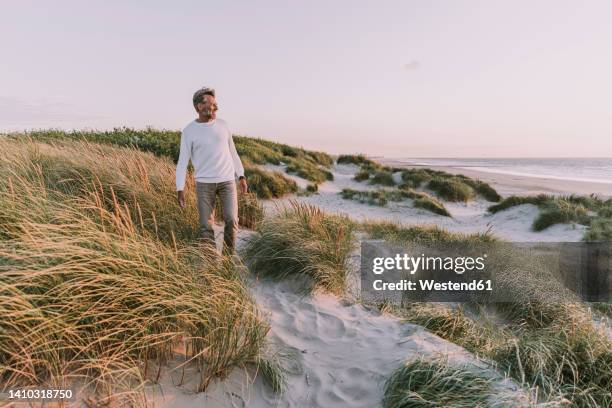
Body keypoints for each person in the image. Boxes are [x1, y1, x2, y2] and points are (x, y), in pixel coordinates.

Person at [176, 86, 248, 253]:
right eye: (211, 103)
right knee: (206, 226)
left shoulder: (224, 126)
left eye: (216, 103)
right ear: (199, 107)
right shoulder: (188, 131)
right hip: (204, 184)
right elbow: (182, 162)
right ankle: (210, 263)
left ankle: (228, 258)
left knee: (231, 220)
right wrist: (180, 189)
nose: (216, 107)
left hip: (227, 181)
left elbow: (233, 153)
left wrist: (241, 176)